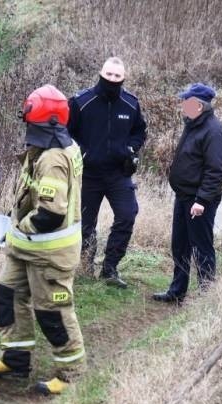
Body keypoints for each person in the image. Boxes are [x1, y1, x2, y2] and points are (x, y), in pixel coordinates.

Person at [0, 85, 85, 396]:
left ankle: (71, 373)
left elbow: (50, 213)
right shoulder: (41, 148)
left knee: (53, 311)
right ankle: (15, 358)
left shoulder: (53, 158)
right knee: (7, 296)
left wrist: (20, 227)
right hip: (25, 247)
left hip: (48, 252)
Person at [67, 57, 147, 288]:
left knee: (127, 215)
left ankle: (110, 268)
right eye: (109, 75)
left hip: (118, 173)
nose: (112, 79)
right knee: (84, 224)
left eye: (117, 76)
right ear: (101, 73)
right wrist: (81, 152)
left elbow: (139, 131)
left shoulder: (131, 104)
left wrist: (131, 148)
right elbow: (66, 132)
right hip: (88, 174)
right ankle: (84, 266)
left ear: (123, 78)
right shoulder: (82, 102)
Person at [152, 83, 222, 304]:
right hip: (184, 197)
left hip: (199, 201)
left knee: (201, 247)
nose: (183, 106)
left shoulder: (214, 131)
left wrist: (202, 200)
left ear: (200, 105)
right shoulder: (192, 125)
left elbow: (216, 171)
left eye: (187, 102)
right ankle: (177, 291)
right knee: (180, 245)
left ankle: (208, 296)